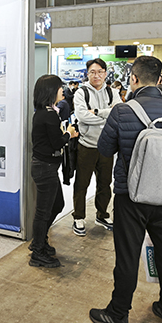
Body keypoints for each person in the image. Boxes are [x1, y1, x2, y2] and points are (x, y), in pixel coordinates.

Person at [90, 56, 162, 323]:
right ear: (159, 79)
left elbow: (105, 149)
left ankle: (118, 314)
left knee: (127, 255)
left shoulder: (122, 111)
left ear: (133, 78)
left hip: (130, 195)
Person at [30, 75, 79, 268]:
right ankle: (37, 251)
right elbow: (57, 142)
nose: (62, 91)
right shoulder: (48, 114)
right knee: (43, 212)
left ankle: (39, 240)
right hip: (45, 168)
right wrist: (69, 133)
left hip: (47, 167)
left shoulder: (45, 112)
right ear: (51, 91)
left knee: (57, 204)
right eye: (59, 88)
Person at [72, 58, 122, 236]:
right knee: (82, 183)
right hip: (86, 145)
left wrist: (97, 112)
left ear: (105, 73)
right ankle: (78, 217)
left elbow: (118, 113)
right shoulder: (81, 92)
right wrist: (107, 115)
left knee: (105, 183)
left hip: (107, 146)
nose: (96, 75)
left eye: (100, 71)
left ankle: (102, 215)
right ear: (87, 74)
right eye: (92, 72)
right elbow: (82, 117)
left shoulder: (112, 92)